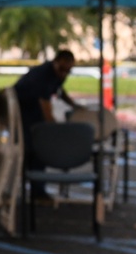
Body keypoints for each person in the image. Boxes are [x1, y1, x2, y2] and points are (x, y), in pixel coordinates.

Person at [12, 50, 83, 199]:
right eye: (63, 70)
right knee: (34, 149)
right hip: (22, 111)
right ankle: (33, 190)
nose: (64, 74)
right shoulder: (43, 74)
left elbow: (59, 91)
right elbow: (45, 104)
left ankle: (35, 190)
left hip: (32, 112)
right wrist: (53, 128)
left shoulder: (57, 75)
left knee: (37, 148)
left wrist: (74, 105)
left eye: (68, 71)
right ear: (55, 62)